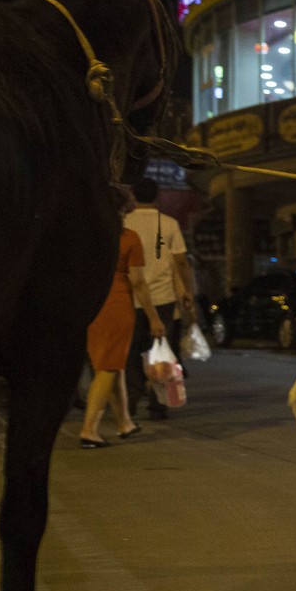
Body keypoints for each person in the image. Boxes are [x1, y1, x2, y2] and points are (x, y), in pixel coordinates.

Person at [81, 196, 165, 447]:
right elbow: (138, 282)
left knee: (112, 363)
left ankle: (124, 421)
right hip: (117, 305)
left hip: (91, 305)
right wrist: (153, 317)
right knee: (107, 367)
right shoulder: (128, 238)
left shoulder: (87, 238)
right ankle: (89, 429)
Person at [124, 178, 197, 420]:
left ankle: (131, 399)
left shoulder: (123, 223)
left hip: (130, 297)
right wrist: (187, 291)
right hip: (163, 297)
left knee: (131, 350)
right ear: (157, 197)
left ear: (133, 196)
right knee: (161, 349)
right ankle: (158, 404)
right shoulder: (169, 224)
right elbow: (181, 262)